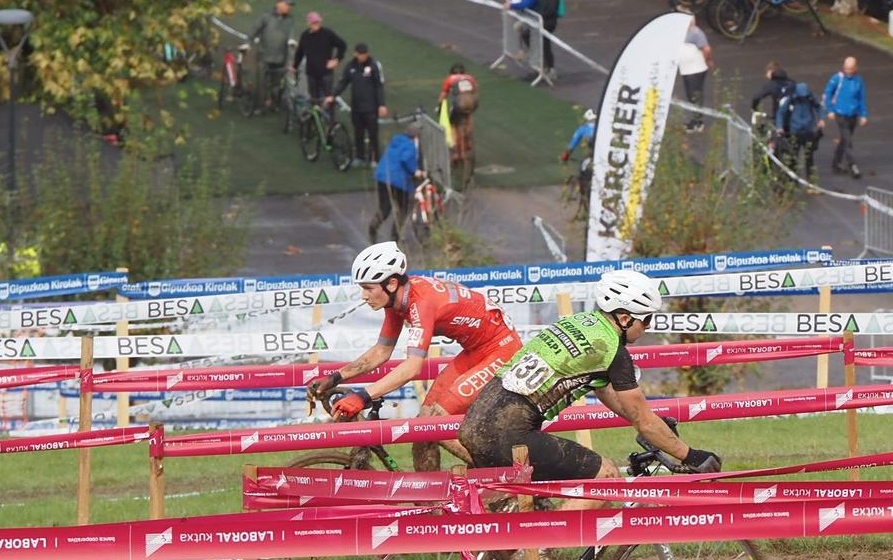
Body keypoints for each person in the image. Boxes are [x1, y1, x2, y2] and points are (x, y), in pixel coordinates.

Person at [458, 269, 719, 509]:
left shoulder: (582, 323)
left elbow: (610, 395)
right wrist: (690, 455)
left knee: (532, 503)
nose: (648, 326)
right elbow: (643, 420)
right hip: (508, 432)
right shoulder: (613, 352)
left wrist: (655, 427)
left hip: (476, 423)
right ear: (625, 318)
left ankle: (514, 553)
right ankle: (544, 550)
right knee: (606, 477)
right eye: (646, 319)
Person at [306, 242, 524, 470]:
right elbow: (381, 351)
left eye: (369, 288)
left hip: (501, 349)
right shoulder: (396, 301)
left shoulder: (421, 302)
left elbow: (412, 368)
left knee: (434, 423)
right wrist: (335, 378)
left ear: (391, 283)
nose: (363, 296)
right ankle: (431, 502)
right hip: (476, 349)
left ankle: (509, 477)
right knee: (423, 428)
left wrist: (362, 397)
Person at [334, 41, 388, 168]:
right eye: (360, 54)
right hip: (356, 107)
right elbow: (343, 82)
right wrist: (333, 94)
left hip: (370, 108)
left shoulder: (374, 65)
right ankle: (360, 157)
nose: (363, 56)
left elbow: (379, 86)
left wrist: (381, 104)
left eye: (364, 54)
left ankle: (375, 158)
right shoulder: (351, 66)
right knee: (358, 132)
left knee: (373, 133)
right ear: (355, 54)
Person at [821, 56, 869, 179]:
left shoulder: (859, 81)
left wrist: (863, 114)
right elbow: (827, 93)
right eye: (846, 68)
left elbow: (861, 98)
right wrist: (830, 110)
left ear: (856, 68)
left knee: (844, 139)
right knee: (848, 140)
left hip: (853, 114)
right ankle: (852, 165)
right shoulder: (837, 79)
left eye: (851, 68)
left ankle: (836, 163)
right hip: (840, 114)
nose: (848, 71)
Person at [244, 0, 294, 106]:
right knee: (262, 81)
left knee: (276, 82)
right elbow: (254, 30)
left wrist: (292, 40)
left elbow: (291, 33)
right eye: (287, 4)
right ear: (278, 4)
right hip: (264, 55)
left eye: (290, 5)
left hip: (280, 57)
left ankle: (272, 101)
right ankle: (260, 104)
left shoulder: (290, 19)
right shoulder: (266, 17)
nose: (289, 7)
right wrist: (248, 43)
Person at [372, 128, 420, 238]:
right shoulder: (410, 145)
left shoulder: (395, 142)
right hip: (398, 181)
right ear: (415, 138)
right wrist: (415, 171)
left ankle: (374, 226)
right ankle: (395, 236)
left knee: (385, 207)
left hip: (382, 177)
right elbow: (406, 159)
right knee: (403, 208)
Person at [293, 11, 346, 103]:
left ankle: (329, 117)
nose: (316, 24)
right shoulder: (305, 36)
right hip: (311, 73)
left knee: (328, 98)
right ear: (309, 23)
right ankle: (315, 116)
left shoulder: (328, 34)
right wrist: (294, 66)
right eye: (314, 22)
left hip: (325, 73)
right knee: (314, 99)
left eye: (318, 22)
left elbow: (342, 45)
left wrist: (337, 59)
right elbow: (300, 53)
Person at [777, 80, 822, 181]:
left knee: (809, 157)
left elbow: (818, 107)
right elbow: (781, 112)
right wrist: (780, 126)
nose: (803, 98)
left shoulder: (810, 97)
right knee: (793, 157)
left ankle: (811, 182)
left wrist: (821, 119)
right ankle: (792, 181)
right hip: (795, 131)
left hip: (808, 131)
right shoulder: (792, 98)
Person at [439, 63, 478, 168]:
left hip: (459, 103)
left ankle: (455, 151)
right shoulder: (470, 78)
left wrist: (439, 106)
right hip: (473, 102)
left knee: (452, 124)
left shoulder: (450, 79)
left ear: (451, 73)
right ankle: (468, 138)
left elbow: (443, 95)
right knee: (468, 116)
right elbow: (475, 91)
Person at [676, 19, 713, 126]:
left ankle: (698, 121)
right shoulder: (683, 32)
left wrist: (708, 60)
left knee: (695, 95)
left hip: (695, 69)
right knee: (690, 94)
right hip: (687, 69)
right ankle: (696, 119)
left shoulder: (696, 33)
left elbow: (707, 49)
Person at [560, 108, 595, 203]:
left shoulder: (583, 128)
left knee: (583, 170)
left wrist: (566, 155)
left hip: (592, 157)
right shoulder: (604, 126)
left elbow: (573, 143)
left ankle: (585, 197)